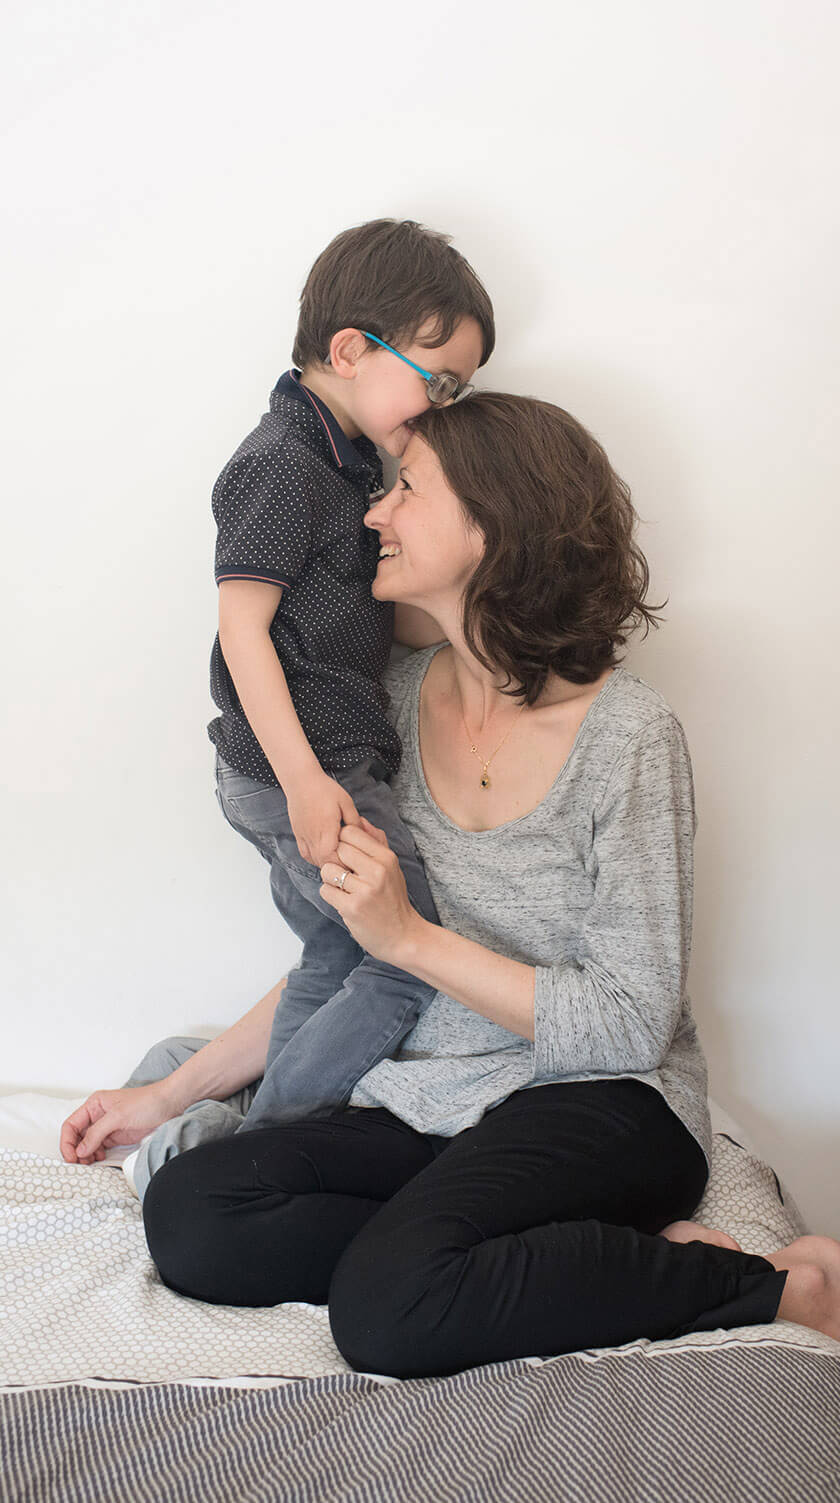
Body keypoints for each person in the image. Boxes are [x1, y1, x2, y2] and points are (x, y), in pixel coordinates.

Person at [61, 392, 840, 1476]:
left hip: (603, 1105)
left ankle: (786, 1286)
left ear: (491, 523)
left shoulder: (626, 738)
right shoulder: (382, 703)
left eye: (405, 490)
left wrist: (412, 941)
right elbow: (345, 956)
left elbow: (628, 1021)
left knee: (387, 1307)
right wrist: (169, 1098)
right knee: (196, 1210)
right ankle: (579, 1256)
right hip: (435, 1104)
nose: (372, 516)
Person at [206, 218, 492, 1138]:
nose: (442, 405)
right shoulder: (283, 466)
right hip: (296, 763)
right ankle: (268, 1145)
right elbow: (241, 629)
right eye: (435, 377)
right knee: (408, 946)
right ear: (348, 350)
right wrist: (302, 778)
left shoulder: (353, 460)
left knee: (335, 951)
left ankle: (263, 1133)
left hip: (325, 757)